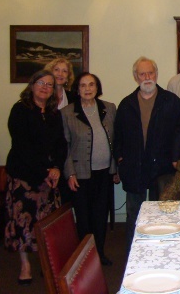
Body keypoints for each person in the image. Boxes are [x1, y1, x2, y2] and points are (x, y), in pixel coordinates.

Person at [114, 56, 180, 253]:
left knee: (161, 217)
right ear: (136, 77)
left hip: (162, 172)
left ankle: (159, 253)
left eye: (150, 73)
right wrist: (120, 159)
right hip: (134, 170)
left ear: (156, 74)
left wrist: (177, 160)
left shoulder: (171, 102)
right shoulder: (126, 104)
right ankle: (133, 254)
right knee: (134, 215)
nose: (147, 77)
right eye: (142, 73)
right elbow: (117, 136)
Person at [4, 70, 67, 285]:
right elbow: (22, 147)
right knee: (24, 220)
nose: (45, 87)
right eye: (41, 83)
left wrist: (57, 167)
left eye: (50, 85)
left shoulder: (53, 113)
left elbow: (60, 143)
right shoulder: (20, 110)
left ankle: (46, 262)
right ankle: (25, 264)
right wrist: (45, 172)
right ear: (31, 85)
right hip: (25, 176)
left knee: (46, 222)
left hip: (49, 178)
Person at [61, 72, 117, 266]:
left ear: (97, 88)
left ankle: (99, 252)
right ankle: (84, 257)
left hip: (104, 172)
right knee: (84, 218)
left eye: (91, 85)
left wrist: (116, 169)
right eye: (83, 85)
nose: (87, 89)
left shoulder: (109, 108)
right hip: (81, 175)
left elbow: (115, 140)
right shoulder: (68, 112)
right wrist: (70, 173)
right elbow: (65, 146)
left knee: (101, 215)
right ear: (77, 89)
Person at [45, 58, 76, 204]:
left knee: (65, 198)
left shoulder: (73, 98)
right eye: (56, 69)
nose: (60, 74)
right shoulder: (42, 96)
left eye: (64, 71)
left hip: (67, 152)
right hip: (46, 154)